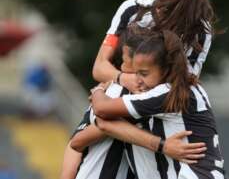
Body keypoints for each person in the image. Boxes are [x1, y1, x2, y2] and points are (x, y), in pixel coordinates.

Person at [60, 28, 206, 179]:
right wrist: (163, 145)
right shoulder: (120, 94)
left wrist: (97, 92)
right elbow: (80, 140)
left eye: (124, 61)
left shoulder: (113, 94)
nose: (121, 67)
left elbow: (76, 143)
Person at [92, 29, 226, 179]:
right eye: (136, 73)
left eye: (144, 73)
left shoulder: (166, 94)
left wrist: (99, 90)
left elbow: (101, 110)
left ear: (165, 69)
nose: (137, 80)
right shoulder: (193, 88)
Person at [92, 0, 215, 93]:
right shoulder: (131, 9)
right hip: (114, 92)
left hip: (157, 106)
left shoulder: (201, 30)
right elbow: (99, 68)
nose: (159, 13)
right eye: (159, 6)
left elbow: (184, 85)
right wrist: (123, 79)